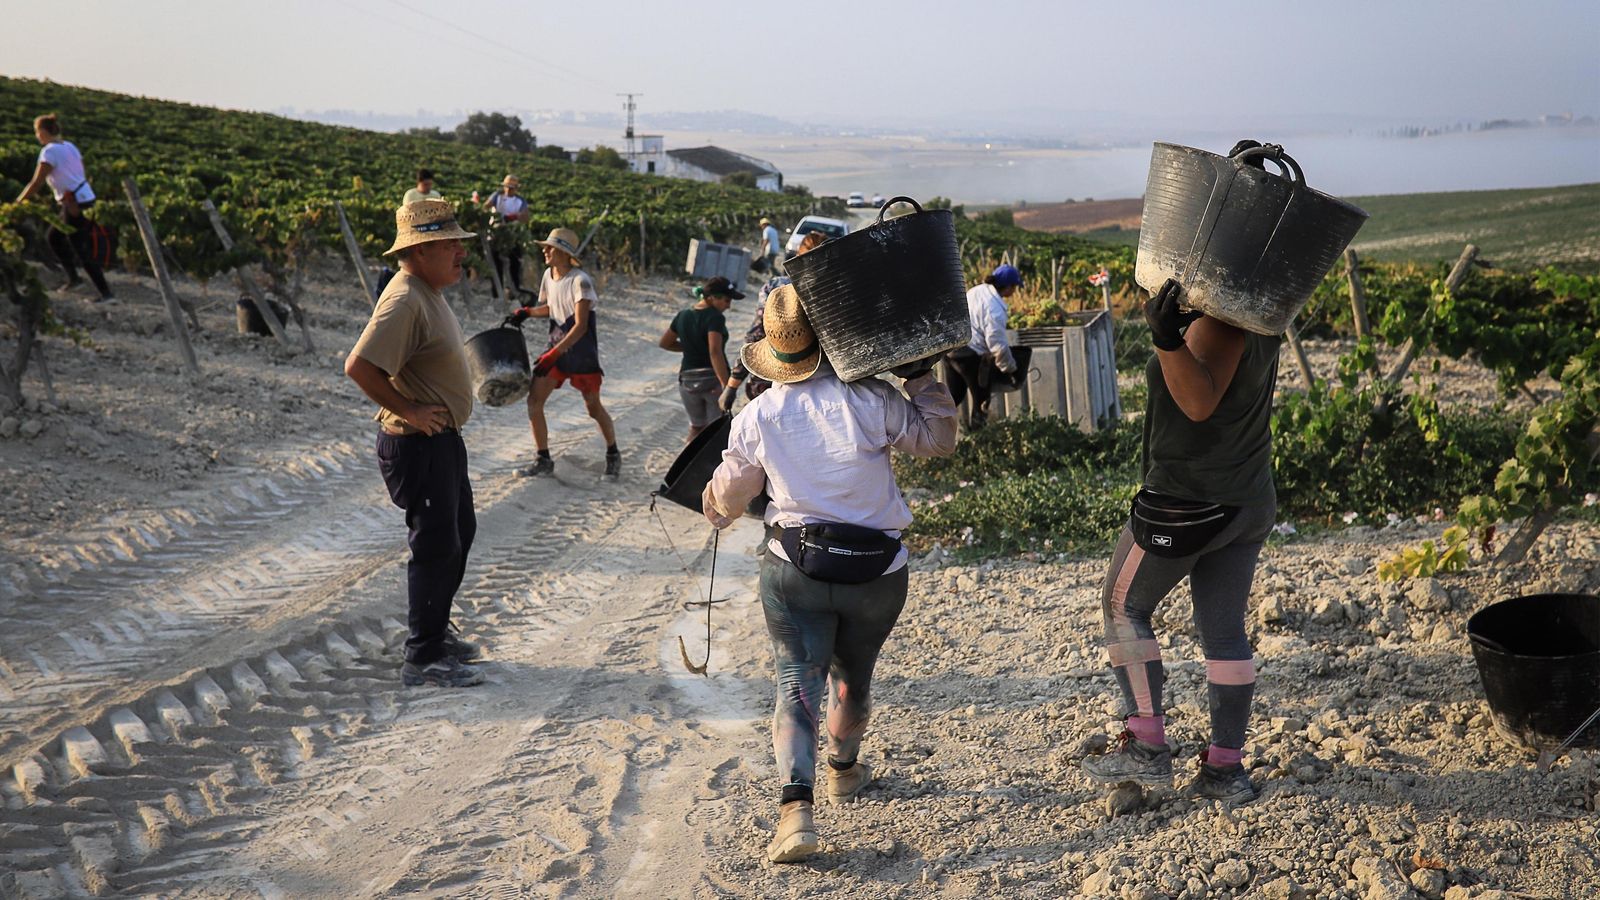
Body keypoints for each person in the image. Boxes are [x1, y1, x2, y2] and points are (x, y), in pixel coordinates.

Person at [701, 285, 958, 863]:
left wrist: (713, 503)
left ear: (774, 352)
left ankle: (796, 813)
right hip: (878, 573)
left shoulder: (759, 415)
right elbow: (940, 440)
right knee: (852, 676)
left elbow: (729, 499)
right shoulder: (872, 398)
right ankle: (843, 770)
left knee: (797, 681)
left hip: (797, 570)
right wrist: (919, 377)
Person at [1079, 271, 1282, 805]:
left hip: (1189, 499)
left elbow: (1197, 402)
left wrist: (1167, 340)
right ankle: (1225, 770)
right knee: (1223, 631)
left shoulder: (1221, 323)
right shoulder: (1265, 309)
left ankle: (1146, 744)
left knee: (1122, 605)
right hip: (1247, 496)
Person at [344, 199, 485, 688]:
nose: (460, 253)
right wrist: (410, 410)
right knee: (435, 546)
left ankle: (436, 632)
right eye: (450, 245)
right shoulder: (405, 299)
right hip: (419, 444)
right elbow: (359, 367)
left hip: (442, 441)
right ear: (421, 251)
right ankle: (423, 657)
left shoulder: (427, 291)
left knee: (459, 533)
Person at [511, 227, 620, 478]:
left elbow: (581, 326)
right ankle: (543, 459)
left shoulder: (580, 281)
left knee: (593, 408)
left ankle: (613, 453)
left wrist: (553, 355)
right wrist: (528, 312)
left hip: (581, 353)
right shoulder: (549, 276)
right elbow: (553, 307)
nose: (545, 251)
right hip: (557, 346)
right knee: (534, 401)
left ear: (563, 252)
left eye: (550, 248)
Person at [719, 231, 828, 414]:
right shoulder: (834, 289)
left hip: (775, 378)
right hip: (824, 382)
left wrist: (732, 385)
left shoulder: (776, 288)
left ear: (797, 256)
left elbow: (757, 334)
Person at [15, 114, 115, 303]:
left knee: (79, 247)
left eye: (37, 132)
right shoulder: (70, 146)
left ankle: (106, 294)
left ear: (42, 132)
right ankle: (74, 279)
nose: (36, 136)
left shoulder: (49, 152)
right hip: (84, 198)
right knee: (54, 237)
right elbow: (80, 172)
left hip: (74, 203)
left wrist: (18, 203)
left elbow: (36, 183)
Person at [661, 275, 741, 441]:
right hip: (711, 381)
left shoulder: (683, 315)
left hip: (687, 381)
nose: (728, 306)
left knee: (696, 427)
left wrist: (691, 346)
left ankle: (687, 458)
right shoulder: (714, 317)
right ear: (712, 298)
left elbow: (665, 343)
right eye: (726, 300)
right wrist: (726, 386)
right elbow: (715, 351)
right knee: (716, 432)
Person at [944, 263, 1021, 429]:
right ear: (1008, 286)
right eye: (1015, 287)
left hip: (951, 350)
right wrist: (1010, 368)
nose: (1014, 291)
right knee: (982, 399)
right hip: (969, 355)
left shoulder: (977, 291)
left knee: (954, 397)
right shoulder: (995, 309)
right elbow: (997, 344)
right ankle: (978, 437)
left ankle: (929, 432)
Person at [481, 174, 531, 298]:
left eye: (512, 187)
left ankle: (514, 292)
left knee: (515, 264)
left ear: (516, 188)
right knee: (495, 265)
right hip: (495, 235)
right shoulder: (497, 196)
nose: (508, 189)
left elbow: (526, 217)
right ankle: (496, 293)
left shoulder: (520, 201)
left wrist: (516, 216)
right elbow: (485, 207)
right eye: (507, 187)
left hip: (512, 236)